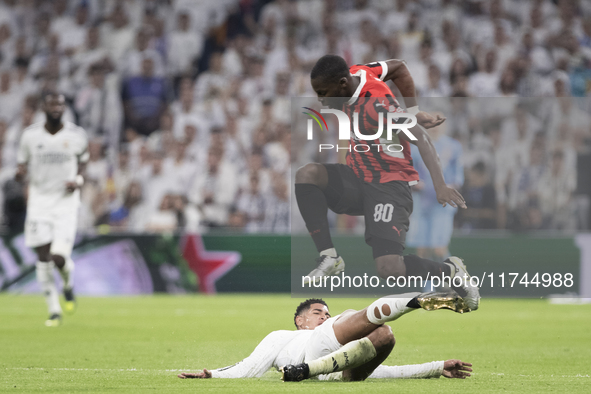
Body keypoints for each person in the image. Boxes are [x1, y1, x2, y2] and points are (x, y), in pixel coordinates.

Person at [295, 55, 479, 310]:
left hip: (389, 187)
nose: (321, 100)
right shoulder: (359, 72)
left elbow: (421, 139)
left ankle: (450, 271)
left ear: (342, 83)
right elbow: (400, 67)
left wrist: (440, 185)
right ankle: (329, 257)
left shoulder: (377, 106)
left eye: (324, 93)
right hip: (358, 180)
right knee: (307, 174)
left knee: (389, 268)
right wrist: (414, 110)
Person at [177, 291, 473, 381]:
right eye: (318, 312)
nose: (325, 316)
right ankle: (421, 299)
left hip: (337, 371)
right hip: (313, 354)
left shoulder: (330, 332)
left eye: (326, 314)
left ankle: (305, 372)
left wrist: (436, 368)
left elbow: (387, 372)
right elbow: (250, 366)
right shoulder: (283, 336)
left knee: (385, 336)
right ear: (299, 320)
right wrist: (212, 375)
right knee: (354, 316)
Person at [15, 93, 89, 326]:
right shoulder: (29, 136)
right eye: (52, 104)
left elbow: (84, 162)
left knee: (58, 257)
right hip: (39, 202)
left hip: (66, 203)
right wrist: (20, 174)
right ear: (43, 107)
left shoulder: (76, 135)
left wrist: (77, 180)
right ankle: (54, 310)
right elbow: (22, 164)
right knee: (43, 257)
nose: (56, 108)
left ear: (65, 108)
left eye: (60, 104)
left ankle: (67, 285)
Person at [407, 113, 464, 263]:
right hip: (422, 203)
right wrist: (415, 183)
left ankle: (454, 278)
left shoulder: (453, 146)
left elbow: (458, 175)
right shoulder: (415, 146)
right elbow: (408, 172)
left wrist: (450, 187)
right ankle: (427, 286)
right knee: (422, 249)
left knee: (439, 248)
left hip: (443, 204)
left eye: (438, 123)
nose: (434, 127)